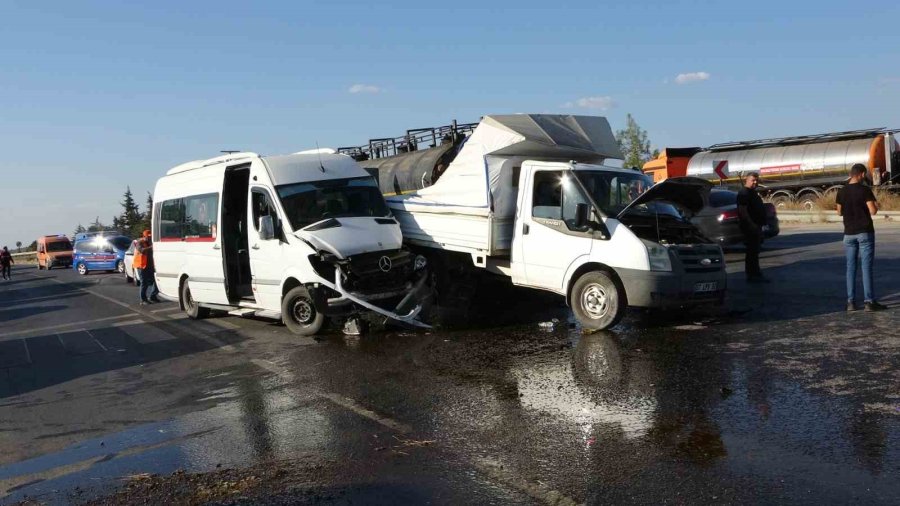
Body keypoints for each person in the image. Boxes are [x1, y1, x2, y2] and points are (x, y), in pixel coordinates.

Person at [836, 164, 886, 312]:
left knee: (850, 268)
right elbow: (873, 211)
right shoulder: (865, 190)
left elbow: (839, 213)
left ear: (851, 174)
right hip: (864, 232)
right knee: (866, 267)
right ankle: (869, 302)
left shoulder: (841, 191)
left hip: (848, 234)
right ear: (862, 174)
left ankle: (851, 302)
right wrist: (876, 206)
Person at [736, 172, 768, 283]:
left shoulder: (752, 192)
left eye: (756, 180)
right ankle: (752, 275)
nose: (755, 182)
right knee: (752, 252)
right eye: (753, 180)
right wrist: (752, 225)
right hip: (750, 227)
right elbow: (743, 211)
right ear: (747, 180)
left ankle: (756, 273)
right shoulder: (744, 193)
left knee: (755, 251)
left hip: (756, 226)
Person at [135, 230, 160, 305]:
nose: (150, 237)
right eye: (148, 236)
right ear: (144, 236)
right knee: (144, 283)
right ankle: (143, 300)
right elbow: (142, 250)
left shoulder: (149, 243)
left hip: (150, 266)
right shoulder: (139, 243)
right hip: (141, 266)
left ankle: (153, 296)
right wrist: (151, 247)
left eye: (150, 236)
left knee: (156, 281)